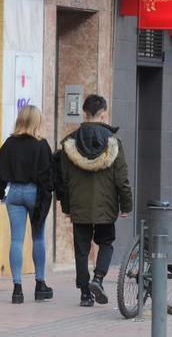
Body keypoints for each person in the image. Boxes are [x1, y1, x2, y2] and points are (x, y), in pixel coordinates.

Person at [56, 94, 132, 307]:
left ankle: (84, 294)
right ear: (104, 114)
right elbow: (121, 178)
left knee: (81, 249)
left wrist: (67, 206)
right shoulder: (113, 143)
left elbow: (63, 180)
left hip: (79, 205)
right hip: (106, 206)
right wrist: (126, 205)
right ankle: (98, 278)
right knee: (106, 243)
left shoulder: (69, 143)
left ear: (84, 113)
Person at [0, 105, 54, 304]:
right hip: (34, 193)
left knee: (16, 240)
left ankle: (17, 288)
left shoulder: (10, 143)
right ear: (38, 122)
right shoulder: (41, 145)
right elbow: (48, 176)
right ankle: (40, 284)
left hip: (14, 193)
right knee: (38, 238)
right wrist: (46, 199)